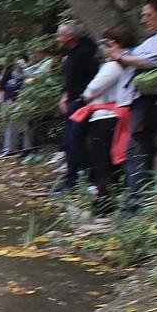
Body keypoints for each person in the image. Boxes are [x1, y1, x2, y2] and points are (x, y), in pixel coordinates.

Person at [103, 0, 157, 201]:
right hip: (143, 100)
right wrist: (119, 55)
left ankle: (135, 204)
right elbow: (139, 59)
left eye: (148, 15)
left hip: (153, 101)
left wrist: (120, 56)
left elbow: (152, 61)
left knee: (138, 149)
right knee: (139, 148)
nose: (144, 20)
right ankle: (138, 200)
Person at [70, 25, 139, 215]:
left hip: (105, 116)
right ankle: (108, 199)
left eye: (105, 43)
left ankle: (104, 202)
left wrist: (86, 95)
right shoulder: (128, 63)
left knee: (101, 160)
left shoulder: (114, 65)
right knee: (109, 160)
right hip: (112, 115)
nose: (102, 47)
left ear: (115, 44)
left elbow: (92, 89)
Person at [48, 21, 101, 194]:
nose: (58, 39)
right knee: (71, 142)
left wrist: (80, 98)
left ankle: (77, 179)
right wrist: (65, 95)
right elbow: (69, 79)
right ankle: (82, 177)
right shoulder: (70, 53)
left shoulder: (85, 53)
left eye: (60, 35)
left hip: (81, 102)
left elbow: (91, 79)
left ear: (70, 36)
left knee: (75, 141)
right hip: (72, 100)